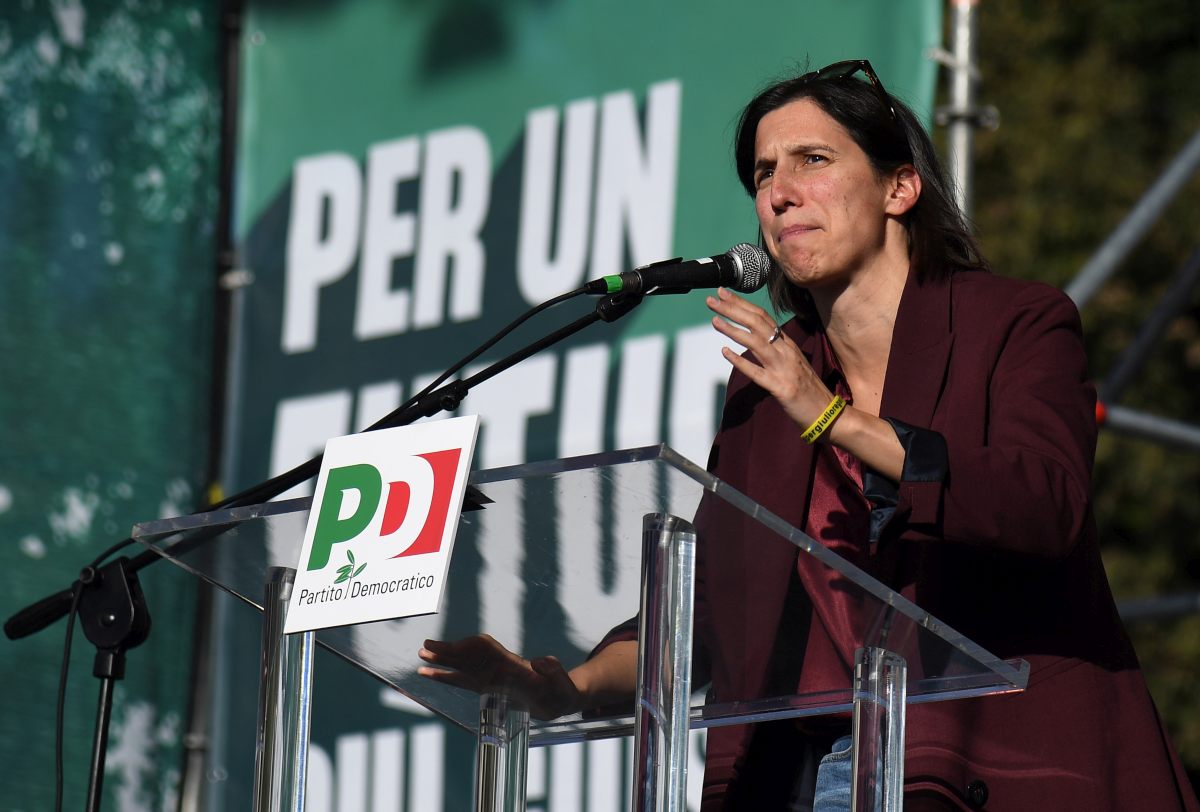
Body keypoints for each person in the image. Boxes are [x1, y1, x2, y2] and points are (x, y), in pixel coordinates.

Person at [420, 61, 1200, 810]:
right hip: (800, 776)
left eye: (812, 160)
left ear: (900, 187)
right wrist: (564, 685)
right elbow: (709, 606)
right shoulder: (770, 385)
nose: (780, 193)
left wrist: (832, 417)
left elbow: (1045, 505)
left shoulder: (1014, 322)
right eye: (764, 174)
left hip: (991, 768)